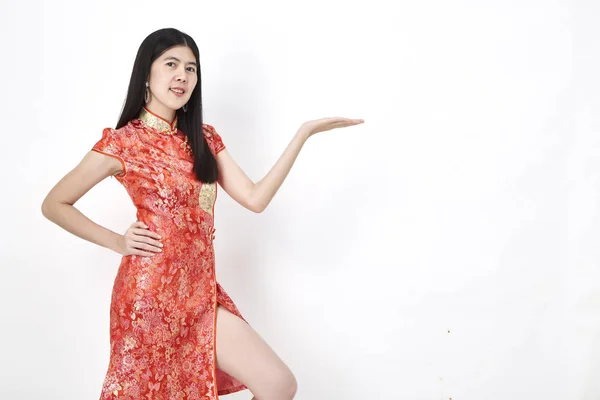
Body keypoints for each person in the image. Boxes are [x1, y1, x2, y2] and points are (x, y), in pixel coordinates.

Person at [41, 27, 363, 400]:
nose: (182, 75)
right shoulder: (124, 143)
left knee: (277, 383)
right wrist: (117, 241)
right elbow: (55, 204)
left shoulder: (204, 139)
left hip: (200, 293)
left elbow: (255, 199)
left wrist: (303, 135)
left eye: (191, 68)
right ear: (146, 73)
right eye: (172, 64)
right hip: (149, 297)